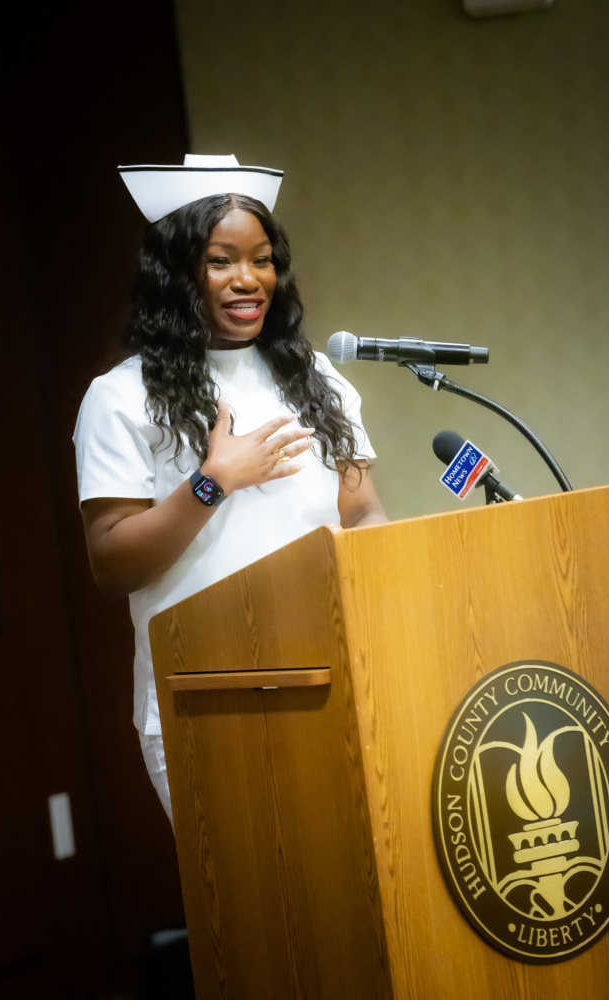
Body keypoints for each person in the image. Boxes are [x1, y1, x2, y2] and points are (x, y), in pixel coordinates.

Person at [73, 154, 387, 823]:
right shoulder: (120, 397)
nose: (249, 279)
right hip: (203, 698)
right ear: (175, 272)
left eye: (263, 258)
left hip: (333, 675)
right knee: (248, 914)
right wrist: (211, 482)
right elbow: (109, 561)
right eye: (220, 260)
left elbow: (360, 512)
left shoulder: (319, 379)